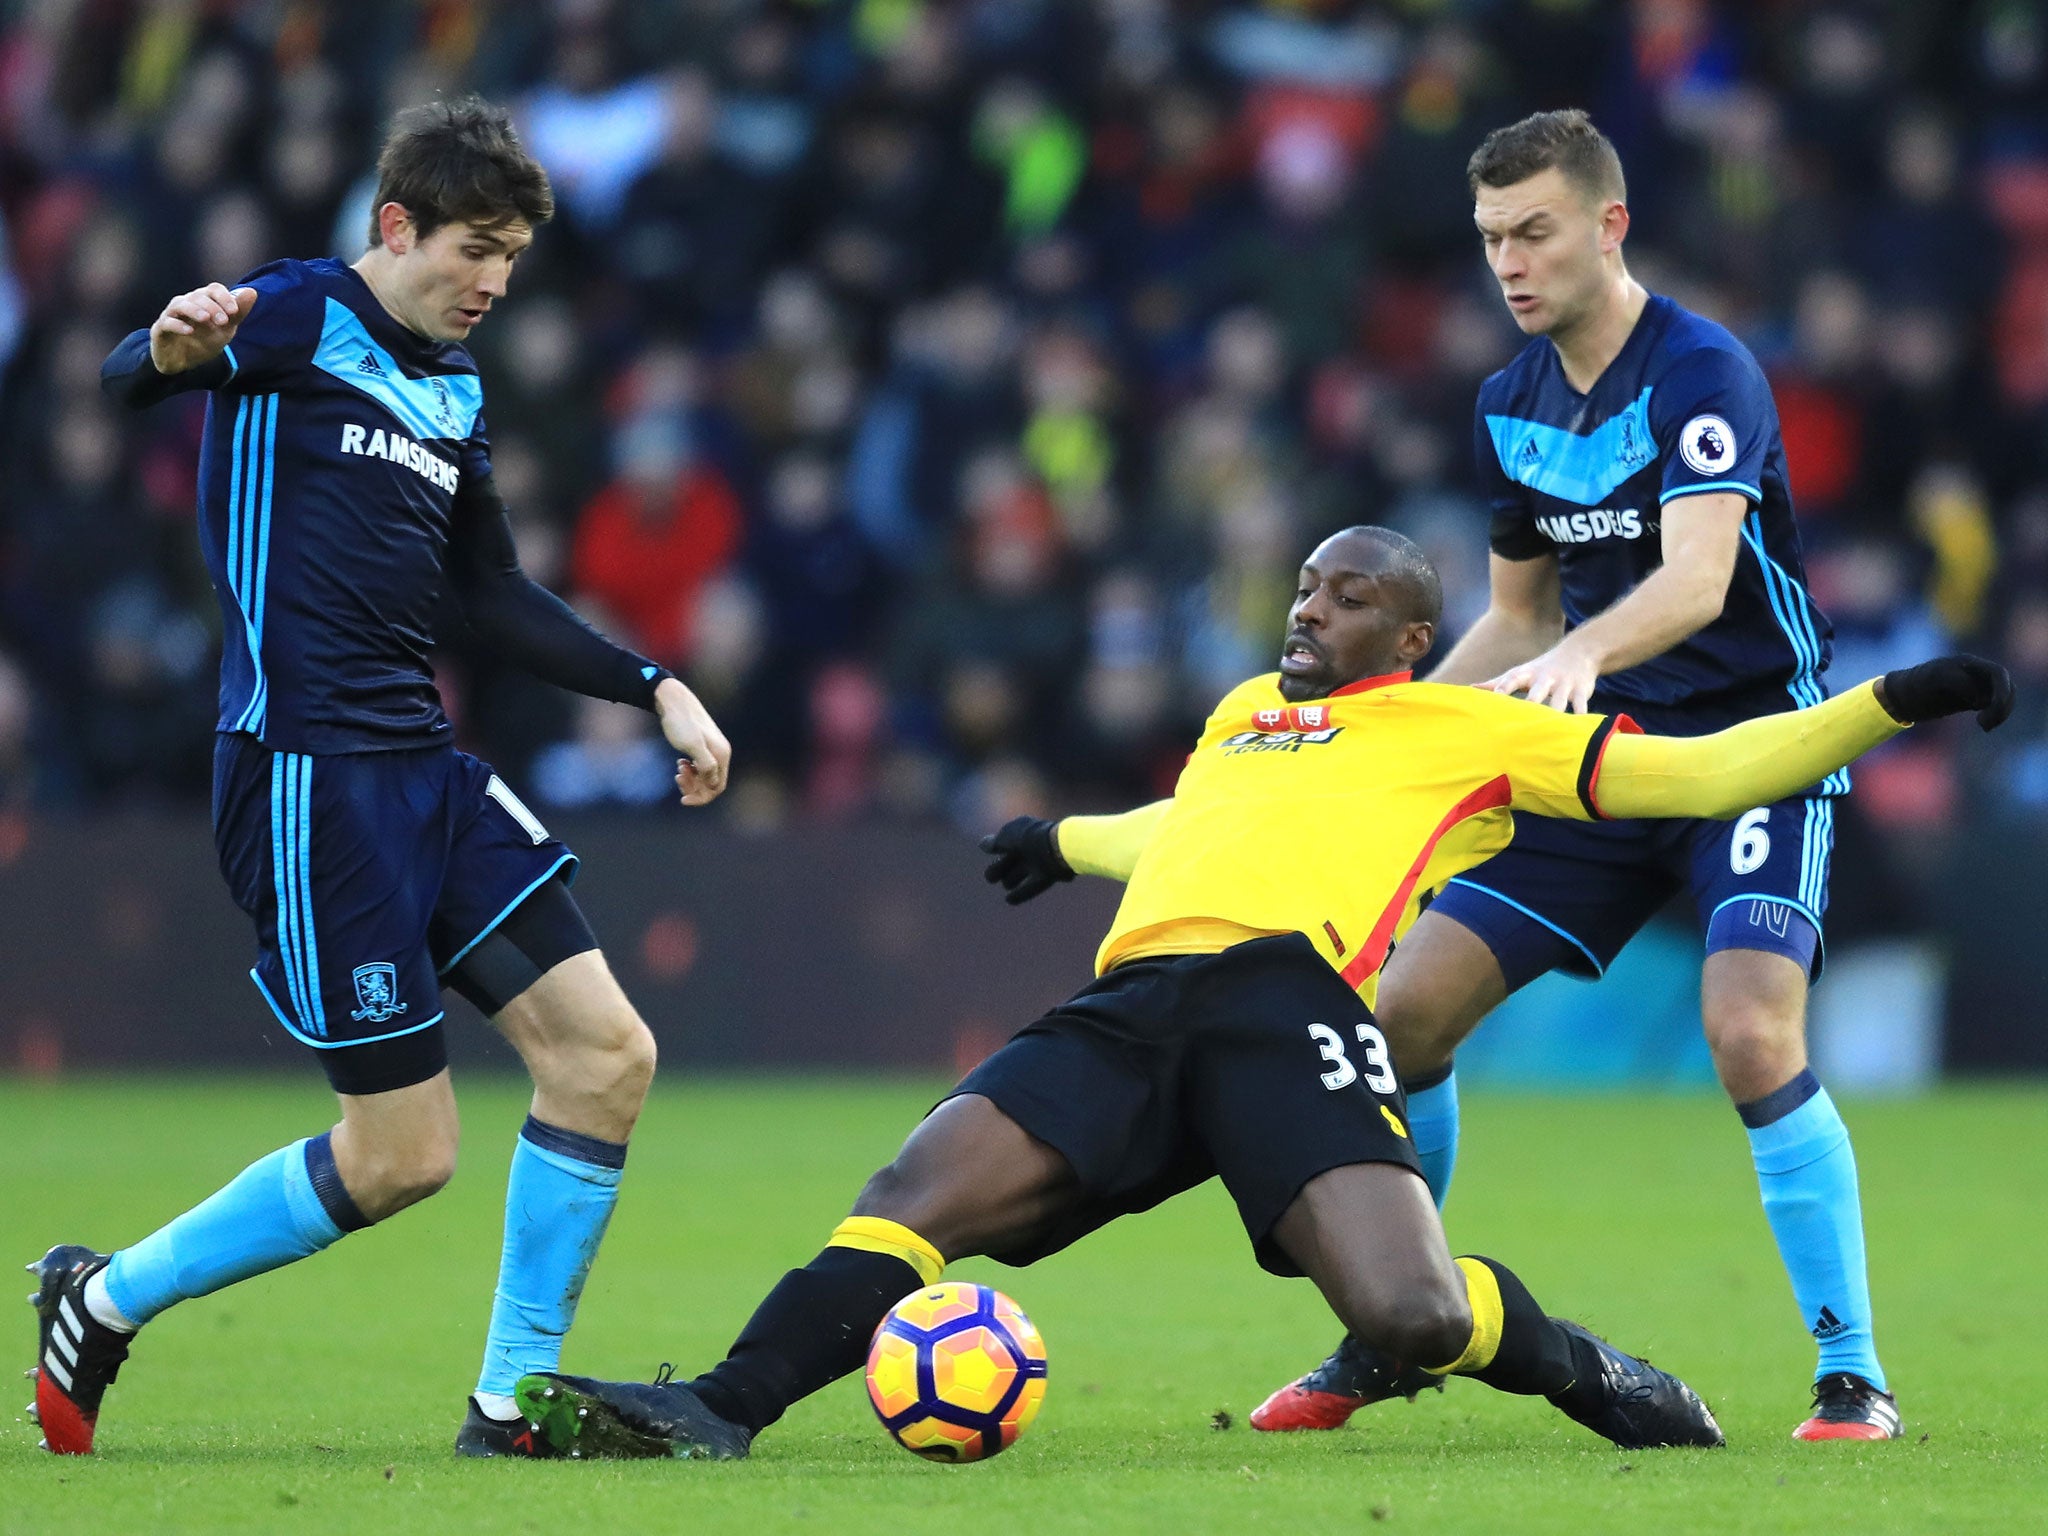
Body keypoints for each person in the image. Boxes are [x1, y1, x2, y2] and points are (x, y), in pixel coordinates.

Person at [504, 526, 2008, 1461]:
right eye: (1302, 589)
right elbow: (1190, 832)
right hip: (1135, 998)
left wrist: (1883, 705)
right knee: (916, 1190)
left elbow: (1695, 772)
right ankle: (718, 1406)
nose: (1306, 613)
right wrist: (1065, 842)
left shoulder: (1462, 730)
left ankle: (1571, 1363)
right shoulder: (1240, 716)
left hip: (1289, 1012)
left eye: (1344, 599)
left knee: (1410, 1316)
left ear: (1412, 640)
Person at [28, 97, 731, 1459]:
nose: (495, 283)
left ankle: (508, 1407)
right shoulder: (294, 314)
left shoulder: (458, 391)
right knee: (403, 1156)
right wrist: (166, 350)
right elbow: (135, 372)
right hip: (305, 783)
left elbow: (491, 594)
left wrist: (656, 687)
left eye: (514, 259)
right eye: (476, 247)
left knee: (605, 1058)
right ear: (396, 226)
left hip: (426, 771)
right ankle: (102, 1300)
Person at [1250, 109, 1924, 1443]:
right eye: (1493, 236)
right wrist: (1391, 730)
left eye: (1536, 230)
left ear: (1609, 226)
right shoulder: (1509, 401)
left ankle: (1853, 1375)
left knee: (1747, 1031)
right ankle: (1397, 1328)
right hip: (1594, 762)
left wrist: (1578, 658)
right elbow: (1515, 616)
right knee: (1404, 1016)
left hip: (1745, 753)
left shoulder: (1704, 368)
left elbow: (1697, 581)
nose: (1510, 260)